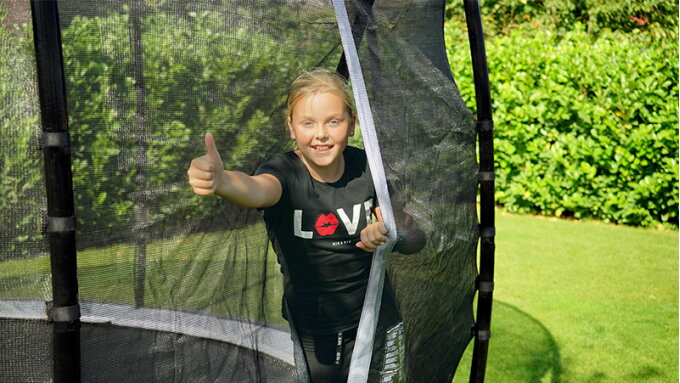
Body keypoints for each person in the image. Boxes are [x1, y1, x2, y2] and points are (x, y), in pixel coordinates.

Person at [187, 69, 424, 382]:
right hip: (315, 329)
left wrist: (391, 231)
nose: (321, 134)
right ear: (291, 127)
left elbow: (415, 236)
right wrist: (222, 181)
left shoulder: (367, 169)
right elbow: (258, 188)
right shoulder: (283, 171)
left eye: (333, 121)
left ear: (352, 124)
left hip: (375, 320)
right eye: (308, 123)